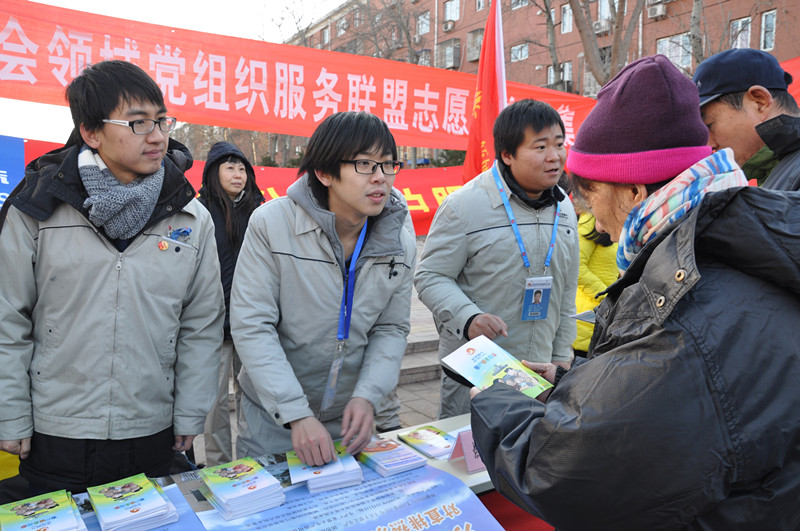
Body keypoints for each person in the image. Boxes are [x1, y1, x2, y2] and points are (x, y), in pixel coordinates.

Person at [471, 54, 800, 530]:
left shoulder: (689, 299)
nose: (592, 214)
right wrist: (577, 380)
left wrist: (497, 397)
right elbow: (680, 394)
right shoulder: (745, 240)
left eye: (591, 192)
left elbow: (561, 475)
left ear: (634, 192)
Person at [0, 60, 224, 495]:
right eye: (137, 123)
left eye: (161, 120)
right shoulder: (37, 208)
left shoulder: (190, 216)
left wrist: (191, 413)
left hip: (153, 431)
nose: (157, 135)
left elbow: (201, 324)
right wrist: (10, 414)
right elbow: (7, 319)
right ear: (91, 132)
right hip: (54, 435)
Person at [230, 111, 416, 466]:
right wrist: (295, 414)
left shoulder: (399, 243)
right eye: (365, 164)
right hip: (274, 418)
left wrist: (367, 396)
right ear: (325, 172)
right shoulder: (272, 224)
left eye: (389, 164)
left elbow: (390, 328)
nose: (380, 177)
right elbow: (253, 325)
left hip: (351, 420)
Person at [414, 99, 579, 419]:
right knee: (469, 463)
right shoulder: (464, 206)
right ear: (507, 154)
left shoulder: (565, 208)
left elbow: (565, 291)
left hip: (539, 374)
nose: (554, 156)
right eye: (540, 146)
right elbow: (430, 276)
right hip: (475, 371)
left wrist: (561, 358)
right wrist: (468, 318)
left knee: (530, 460)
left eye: (559, 144)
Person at [197, 142, 264, 466]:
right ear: (213, 173)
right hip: (213, 323)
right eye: (229, 167)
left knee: (254, 397)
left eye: (242, 169)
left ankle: (255, 462)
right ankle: (219, 467)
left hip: (253, 322)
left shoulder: (260, 212)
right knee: (215, 405)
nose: (238, 174)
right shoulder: (199, 212)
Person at [693, 48, 800, 189]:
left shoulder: (793, 173)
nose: (708, 144)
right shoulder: (779, 170)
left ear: (760, 102)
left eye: (709, 125)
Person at [572, 211, 617, 358]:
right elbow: (575, 267)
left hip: (610, 318)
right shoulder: (592, 219)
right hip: (587, 320)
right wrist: (606, 296)